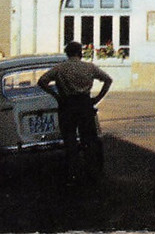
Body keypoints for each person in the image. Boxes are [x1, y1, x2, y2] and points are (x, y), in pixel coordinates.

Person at [38, 41, 112, 182]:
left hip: (67, 104)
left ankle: (73, 171)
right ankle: (91, 171)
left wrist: (56, 96)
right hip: (84, 104)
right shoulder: (89, 67)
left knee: (69, 138)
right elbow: (108, 80)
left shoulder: (60, 68)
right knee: (89, 138)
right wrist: (97, 98)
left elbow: (42, 81)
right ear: (80, 52)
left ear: (67, 53)